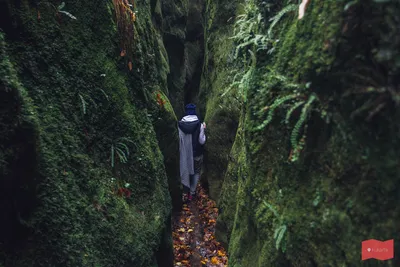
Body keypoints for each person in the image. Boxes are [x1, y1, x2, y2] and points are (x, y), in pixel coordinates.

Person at [178, 103, 206, 202]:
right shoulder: (200, 125)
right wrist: (204, 130)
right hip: (196, 154)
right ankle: (192, 193)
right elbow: (201, 141)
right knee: (196, 172)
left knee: (186, 170)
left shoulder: (180, 124)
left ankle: (185, 192)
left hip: (185, 155)